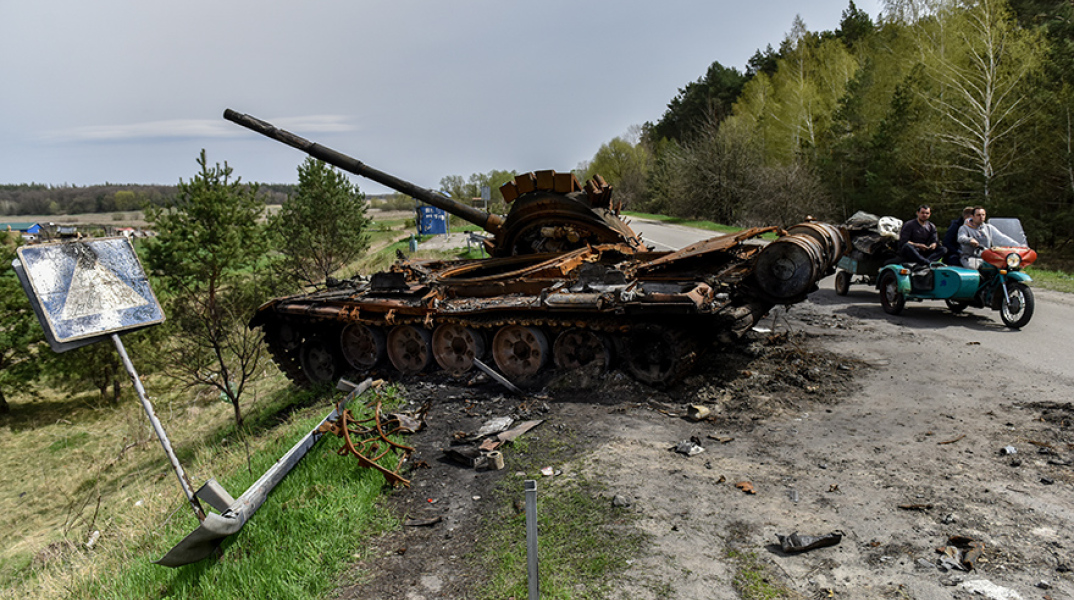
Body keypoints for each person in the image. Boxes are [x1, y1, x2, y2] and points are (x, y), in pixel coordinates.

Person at [957, 206, 1022, 269]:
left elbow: (1002, 238)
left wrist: (1018, 245)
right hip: (971, 257)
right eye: (978, 215)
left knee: (1004, 265)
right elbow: (961, 237)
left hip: (987, 256)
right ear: (972, 217)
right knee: (973, 269)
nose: (981, 217)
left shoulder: (988, 228)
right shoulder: (964, 228)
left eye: (983, 215)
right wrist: (970, 240)